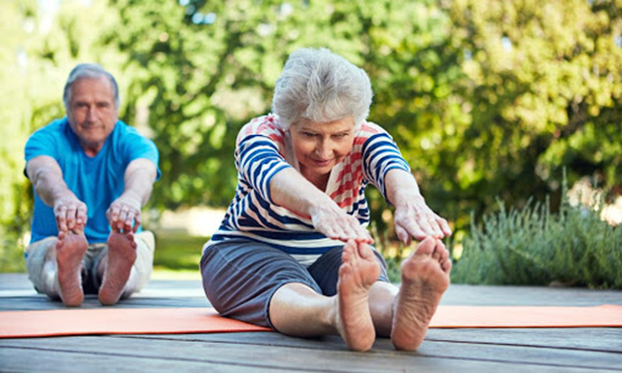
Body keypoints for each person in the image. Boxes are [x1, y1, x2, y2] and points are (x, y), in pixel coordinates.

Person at [200, 48, 452, 352]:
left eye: (339, 136)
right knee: (286, 282)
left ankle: (398, 309)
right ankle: (335, 313)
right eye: (310, 134)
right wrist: (320, 207)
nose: (324, 150)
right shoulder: (259, 134)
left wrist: (410, 203)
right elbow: (272, 175)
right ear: (286, 123)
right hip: (251, 247)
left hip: (334, 253)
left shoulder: (368, 137)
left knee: (360, 277)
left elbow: (391, 167)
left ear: (355, 125)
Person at [24, 63, 160, 307]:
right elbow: (43, 173)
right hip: (57, 239)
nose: (91, 116)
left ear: (117, 108)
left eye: (102, 105)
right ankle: (67, 278)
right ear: (67, 107)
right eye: (82, 105)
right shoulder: (44, 139)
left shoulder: (135, 143)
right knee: (54, 255)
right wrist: (62, 197)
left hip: (116, 239)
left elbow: (142, 173)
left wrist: (130, 198)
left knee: (131, 250)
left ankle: (114, 275)